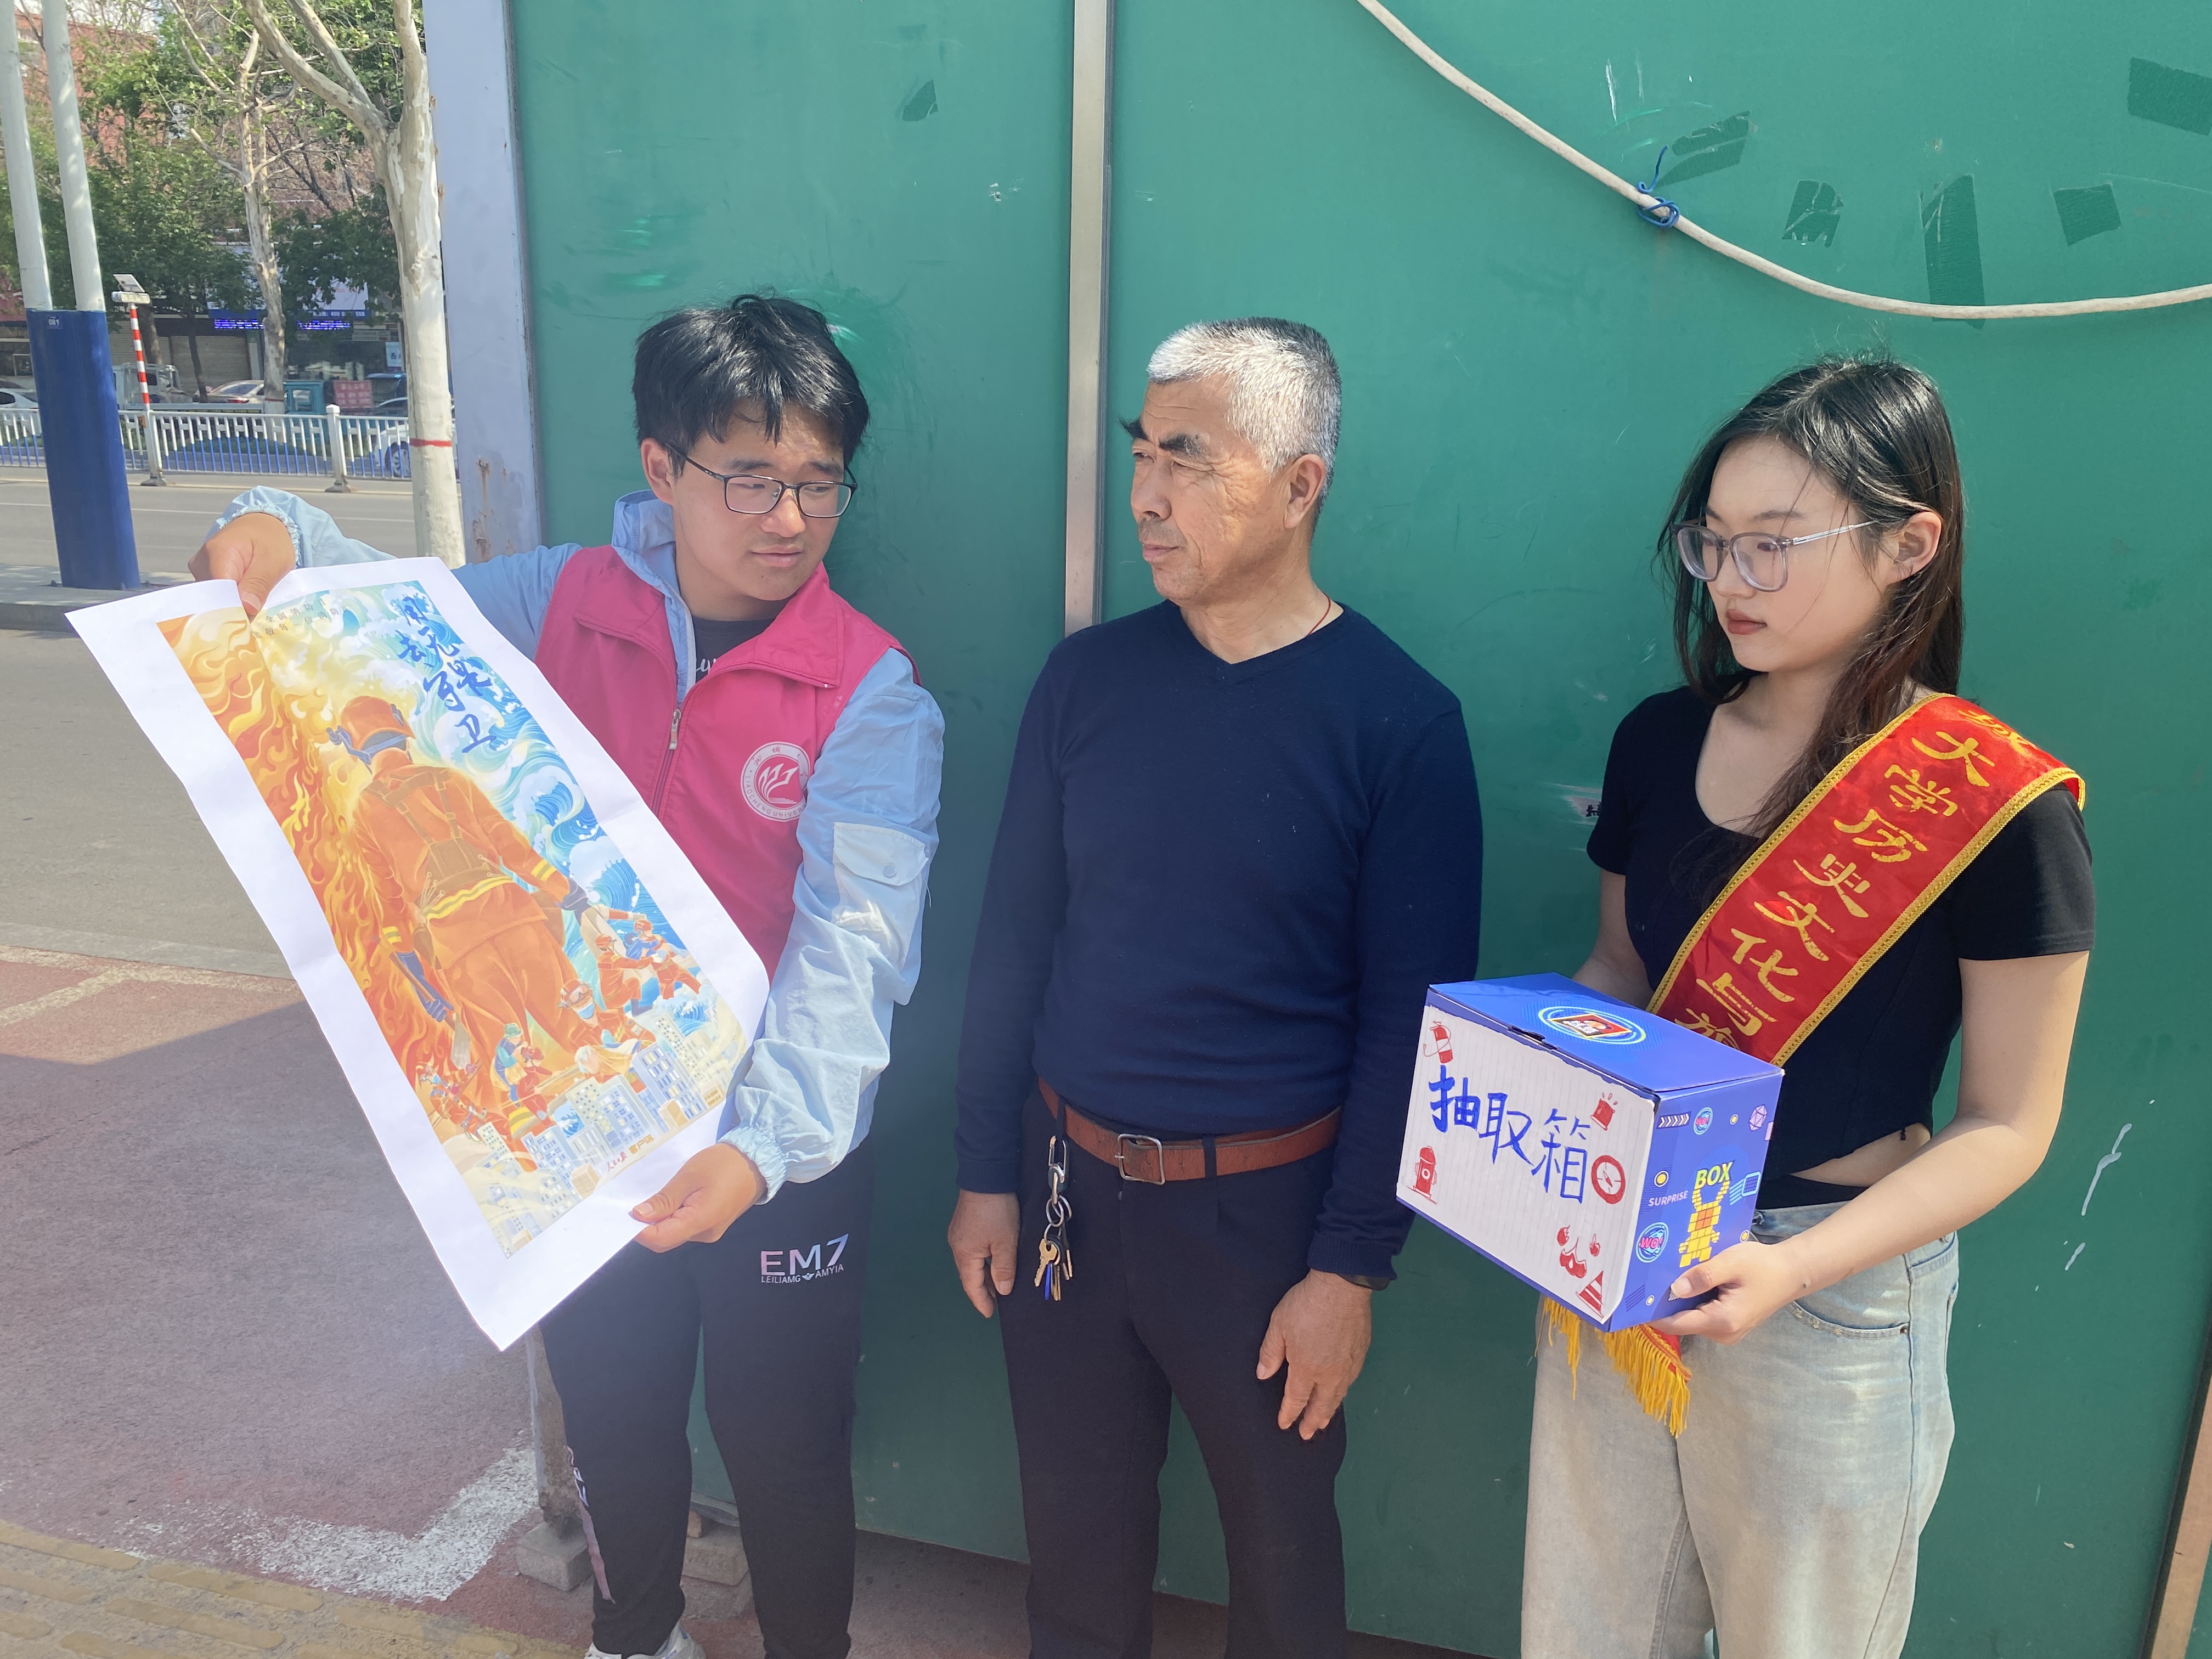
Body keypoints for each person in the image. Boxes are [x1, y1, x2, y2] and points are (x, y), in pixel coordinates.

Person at [190, 295, 945, 1659]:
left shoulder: (871, 693)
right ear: (662, 467)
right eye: (750, 478)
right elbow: (372, 618)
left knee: (783, 1442)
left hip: (781, 1150)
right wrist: (275, 526)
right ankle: (632, 1636)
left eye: (819, 481)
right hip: (589, 1127)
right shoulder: (556, 604)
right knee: (615, 1414)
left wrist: (764, 1149)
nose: (789, 518)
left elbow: (856, 948)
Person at [1525, 358, 2092, 1659]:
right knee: (1588, 1628)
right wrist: (1533, 1109)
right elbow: (1619, 976)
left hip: (1829, 1293)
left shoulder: (1996, 807)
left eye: (1774, 545)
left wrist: (1792, 1270)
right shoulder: (1657, 741)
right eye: (1713, 543)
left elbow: (2009, 1126)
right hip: (1629, 1244)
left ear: (1910, 545)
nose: (1731, 580)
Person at [949, 318, 1483, 1658]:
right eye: (1142, 452)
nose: (1145, 493)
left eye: (1187, 458)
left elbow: (1411, 1031)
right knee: (1075, 1546)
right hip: (1066, 1194)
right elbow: (1013, 941)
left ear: (1301, 487)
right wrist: (986, 1172)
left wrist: (1350, 1266)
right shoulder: (1087, 682)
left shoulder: (1399, 723)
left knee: (1284, 1562)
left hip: (1267, 1223)